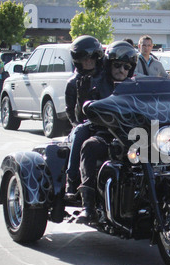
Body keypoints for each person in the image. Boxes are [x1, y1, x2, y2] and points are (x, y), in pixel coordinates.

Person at [77, 41, 138, 224]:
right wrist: (84, 100)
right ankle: (88, 206)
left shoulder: (137, 86)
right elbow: (82, 113)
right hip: (107, 135)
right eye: (117, 65)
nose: (121, 70)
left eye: (126, 67)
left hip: (136, 137)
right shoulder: (96, 84)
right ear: (110, 64)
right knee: (89, 146)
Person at [64, 35, 106, 199]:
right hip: (84, 123)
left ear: (98, 57)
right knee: (80, 132)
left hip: (107, 123)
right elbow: (70, 112)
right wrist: (79, 120)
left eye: (91, 57)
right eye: (84, 58)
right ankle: (72, 180)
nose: (88, 61)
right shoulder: (73, 82)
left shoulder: (106, 77)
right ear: (77, 60)